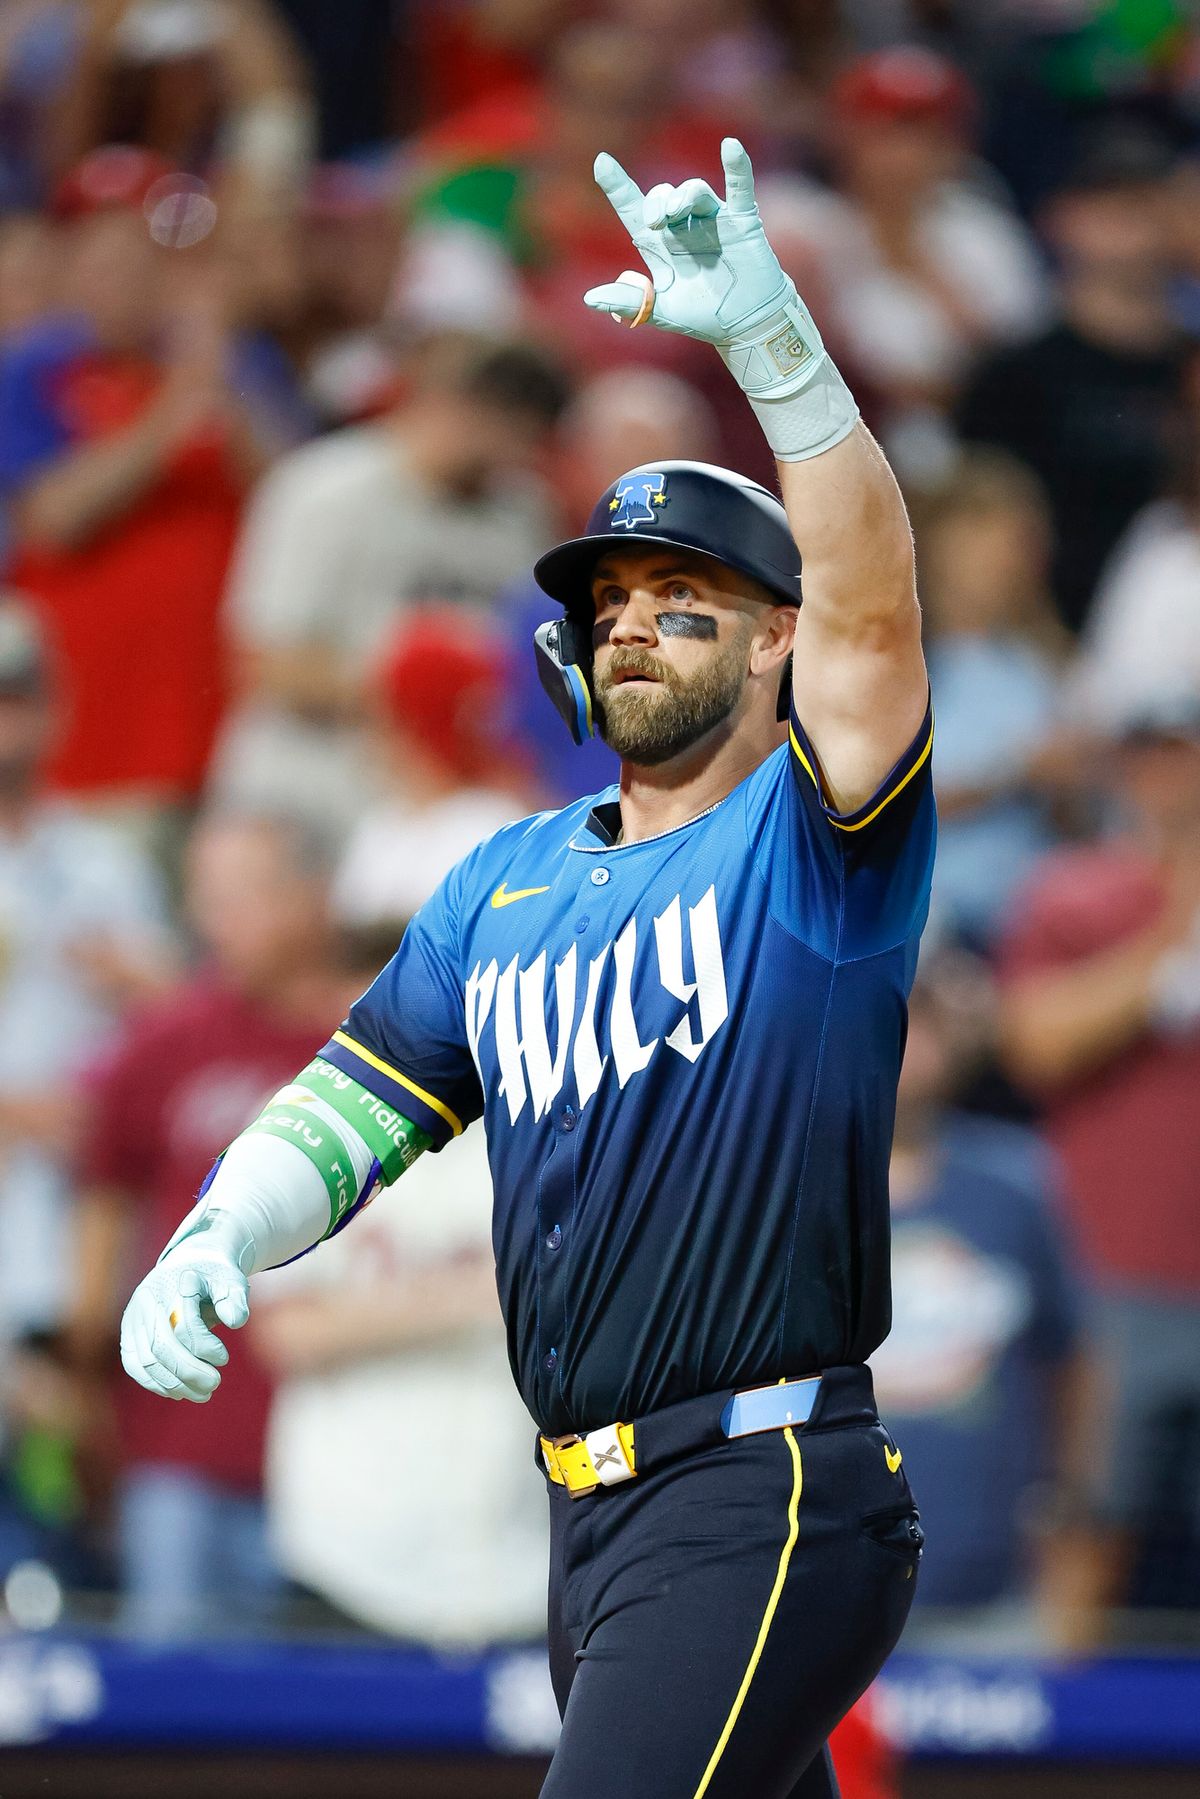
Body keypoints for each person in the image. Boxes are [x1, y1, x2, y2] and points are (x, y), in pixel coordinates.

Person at [119, 138, 934, 1796]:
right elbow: (361, 1096)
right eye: (612, 594)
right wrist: (225, 1224)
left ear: (774, 635)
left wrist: (775, 348)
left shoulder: (810, 841)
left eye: (685, 593)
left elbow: (872, 615)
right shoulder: (499, 878)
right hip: (587, 1513)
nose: (632, 616)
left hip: (765, 1483)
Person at [71, 810, 342, 1636]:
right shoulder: (165, 1042)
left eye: (242, 895)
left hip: (335, 1452)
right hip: (178, 1446)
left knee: (330, 1702)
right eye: (205, 897)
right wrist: (88, 1380)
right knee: (168, 1695)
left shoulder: (372, 1048)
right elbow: (101, 1216)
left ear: (312, 897)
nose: (215, 920)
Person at [997, 693, 1200, 1636]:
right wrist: (1175, 930)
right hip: (1108, 1270)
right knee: (1089, 1525)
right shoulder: (1073, 891)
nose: (1168, 777)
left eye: (1183, 755)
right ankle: (1047, 1724)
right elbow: (1035, 1044)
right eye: (1150, 756)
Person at [208, 329, 569, 838]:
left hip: (435, 813)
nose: (512, 457)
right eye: (504, 434)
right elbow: (267, 664)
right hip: (306, 800)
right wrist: (421, 689)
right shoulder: (326, 489)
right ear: (450, 406)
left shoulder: (522, 511)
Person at [0, 592, 170, 1582]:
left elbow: (172, 1038)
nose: (7, 719)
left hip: (68, 1246)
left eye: (19, 695)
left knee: (61, 1534)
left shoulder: (102, 863)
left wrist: (148, 991)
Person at [870, 956, 1087, 1637]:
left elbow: (1073, 1356)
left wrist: (1066, 1499)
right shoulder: (789, 1181)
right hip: (823, 1581)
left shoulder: (1015, 1185)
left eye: (926, 1027)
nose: (908, 1051)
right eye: (891, 1026)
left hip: (992, 1585)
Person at [957, 125, 1187, 637]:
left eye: (1146, 202)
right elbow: (979, 529)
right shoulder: (1014, 377)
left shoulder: (1191, 372)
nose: (1131, 224)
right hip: (1046, 645)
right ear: (1061, 218)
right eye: (1109, 203)